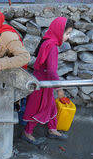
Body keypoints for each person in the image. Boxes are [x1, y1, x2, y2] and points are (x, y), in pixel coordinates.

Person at [21, 17, 74, 145]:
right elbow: (51, 71)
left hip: (43, 80)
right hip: (43, 83)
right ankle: (27, 133)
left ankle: (52, 129)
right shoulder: (52, 47)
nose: (68, 37)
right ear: (58, 31)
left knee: (50, 105)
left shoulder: (47, 41)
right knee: (38, 108)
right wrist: (59, 89)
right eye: (67, 33)